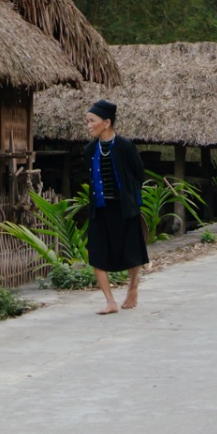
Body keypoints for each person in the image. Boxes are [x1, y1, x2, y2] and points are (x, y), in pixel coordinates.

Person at [82, 99, 148, 314]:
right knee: (97, 253)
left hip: (124, 208)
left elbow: (139, 174)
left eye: (92, 121)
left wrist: (129, 196)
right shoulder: (90, 149)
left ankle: (132, 287)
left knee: (132, 251)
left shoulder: (125, 146)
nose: (89, 125)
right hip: (100, 208)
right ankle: (110, 301)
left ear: (107, 122)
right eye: (88, 121)